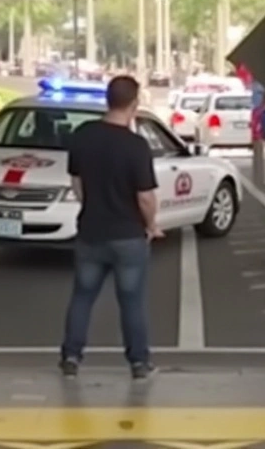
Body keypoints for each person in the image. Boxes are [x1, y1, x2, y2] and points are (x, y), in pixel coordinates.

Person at [60, 74, 161, 380]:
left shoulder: (83, 135)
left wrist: (89, 206)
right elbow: (145, 197)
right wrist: (152, 225)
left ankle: (71, 356)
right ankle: (139, 363)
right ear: (134, 103)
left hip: (91, 232)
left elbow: (76, 182)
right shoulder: (136, 145)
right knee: (131, 301)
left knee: (82, 296)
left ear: (107, 99)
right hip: (128, 235)